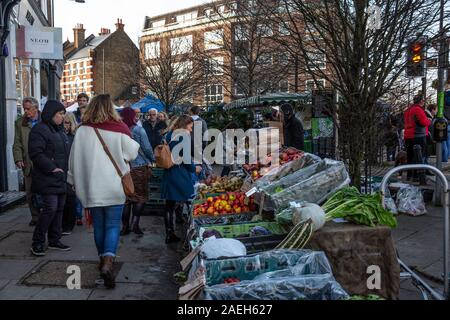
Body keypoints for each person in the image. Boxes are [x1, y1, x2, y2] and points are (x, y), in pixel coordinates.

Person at [68, 94, 139, 289]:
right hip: (113, 186)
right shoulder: (120, 129)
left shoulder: (82, 131)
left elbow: (73, 159)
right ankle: (108, 261)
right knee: (113, 225)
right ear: (110, 109)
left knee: (99, 226)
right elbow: (133, 152)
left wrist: (73, 180)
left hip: (91, 188)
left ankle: (102, 260)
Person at [28, 100, 71, 256]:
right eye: (59, 114)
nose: (61, 117)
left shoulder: (59, 131)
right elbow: (36, 153)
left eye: (62, 114)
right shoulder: (39, 130)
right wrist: (52, 168)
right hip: (47, 177)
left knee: (59, 208)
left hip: (60, 177)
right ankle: (37, 242)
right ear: (51, 114)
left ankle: (54, 240)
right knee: (50, 208)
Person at [161, 115, 202, 244]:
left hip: (170, 172)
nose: (191, 130)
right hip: (179, 173)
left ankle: (170, 232)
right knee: (185, 198)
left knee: (169, 204)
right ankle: (179, 230)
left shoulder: (170, 134)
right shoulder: (183, 136)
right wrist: (194, 168)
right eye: (190, 127)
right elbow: (185, 158)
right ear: (185, 125)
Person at [120, 107, 155, 236]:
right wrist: (152, 159)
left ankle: (125, 227)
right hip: (139, 167)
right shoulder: (139, 130)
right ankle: (135, 224)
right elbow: (146, 148)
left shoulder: (119, 131)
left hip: (124, 168)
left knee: (127, 198)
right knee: (140, 197)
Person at [13, 97, 41, 226]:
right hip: (28, 163)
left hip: (43, 163)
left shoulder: (45, 121)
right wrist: (18, 158)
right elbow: (17, 142)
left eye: (28, 109)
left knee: (45, 191)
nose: (26, 111)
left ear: (36, 107)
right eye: (24, 109)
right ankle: (35, 217)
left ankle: (47, 215)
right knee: (30, 193)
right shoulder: (20, 123)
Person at [403, 95, 431, 179]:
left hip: (408, 135)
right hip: (417, 135)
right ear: (420, 101)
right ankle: (416, 176)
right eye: (423, 100)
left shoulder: (408, 110)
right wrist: (429, 121)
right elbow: (423, 122)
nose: (424, 102)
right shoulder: (418, 109)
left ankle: (409, 175)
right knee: (418, 156)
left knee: (410, 156)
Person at [61, 113, 78, 235]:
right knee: (62, 199)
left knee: (71, 199)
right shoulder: (59, 135)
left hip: (72, 170)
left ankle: (69, 225)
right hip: (61, 170)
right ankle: (62, 224)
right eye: (63, 122)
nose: (64, 125)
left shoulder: (75, 137)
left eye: (67, 122)